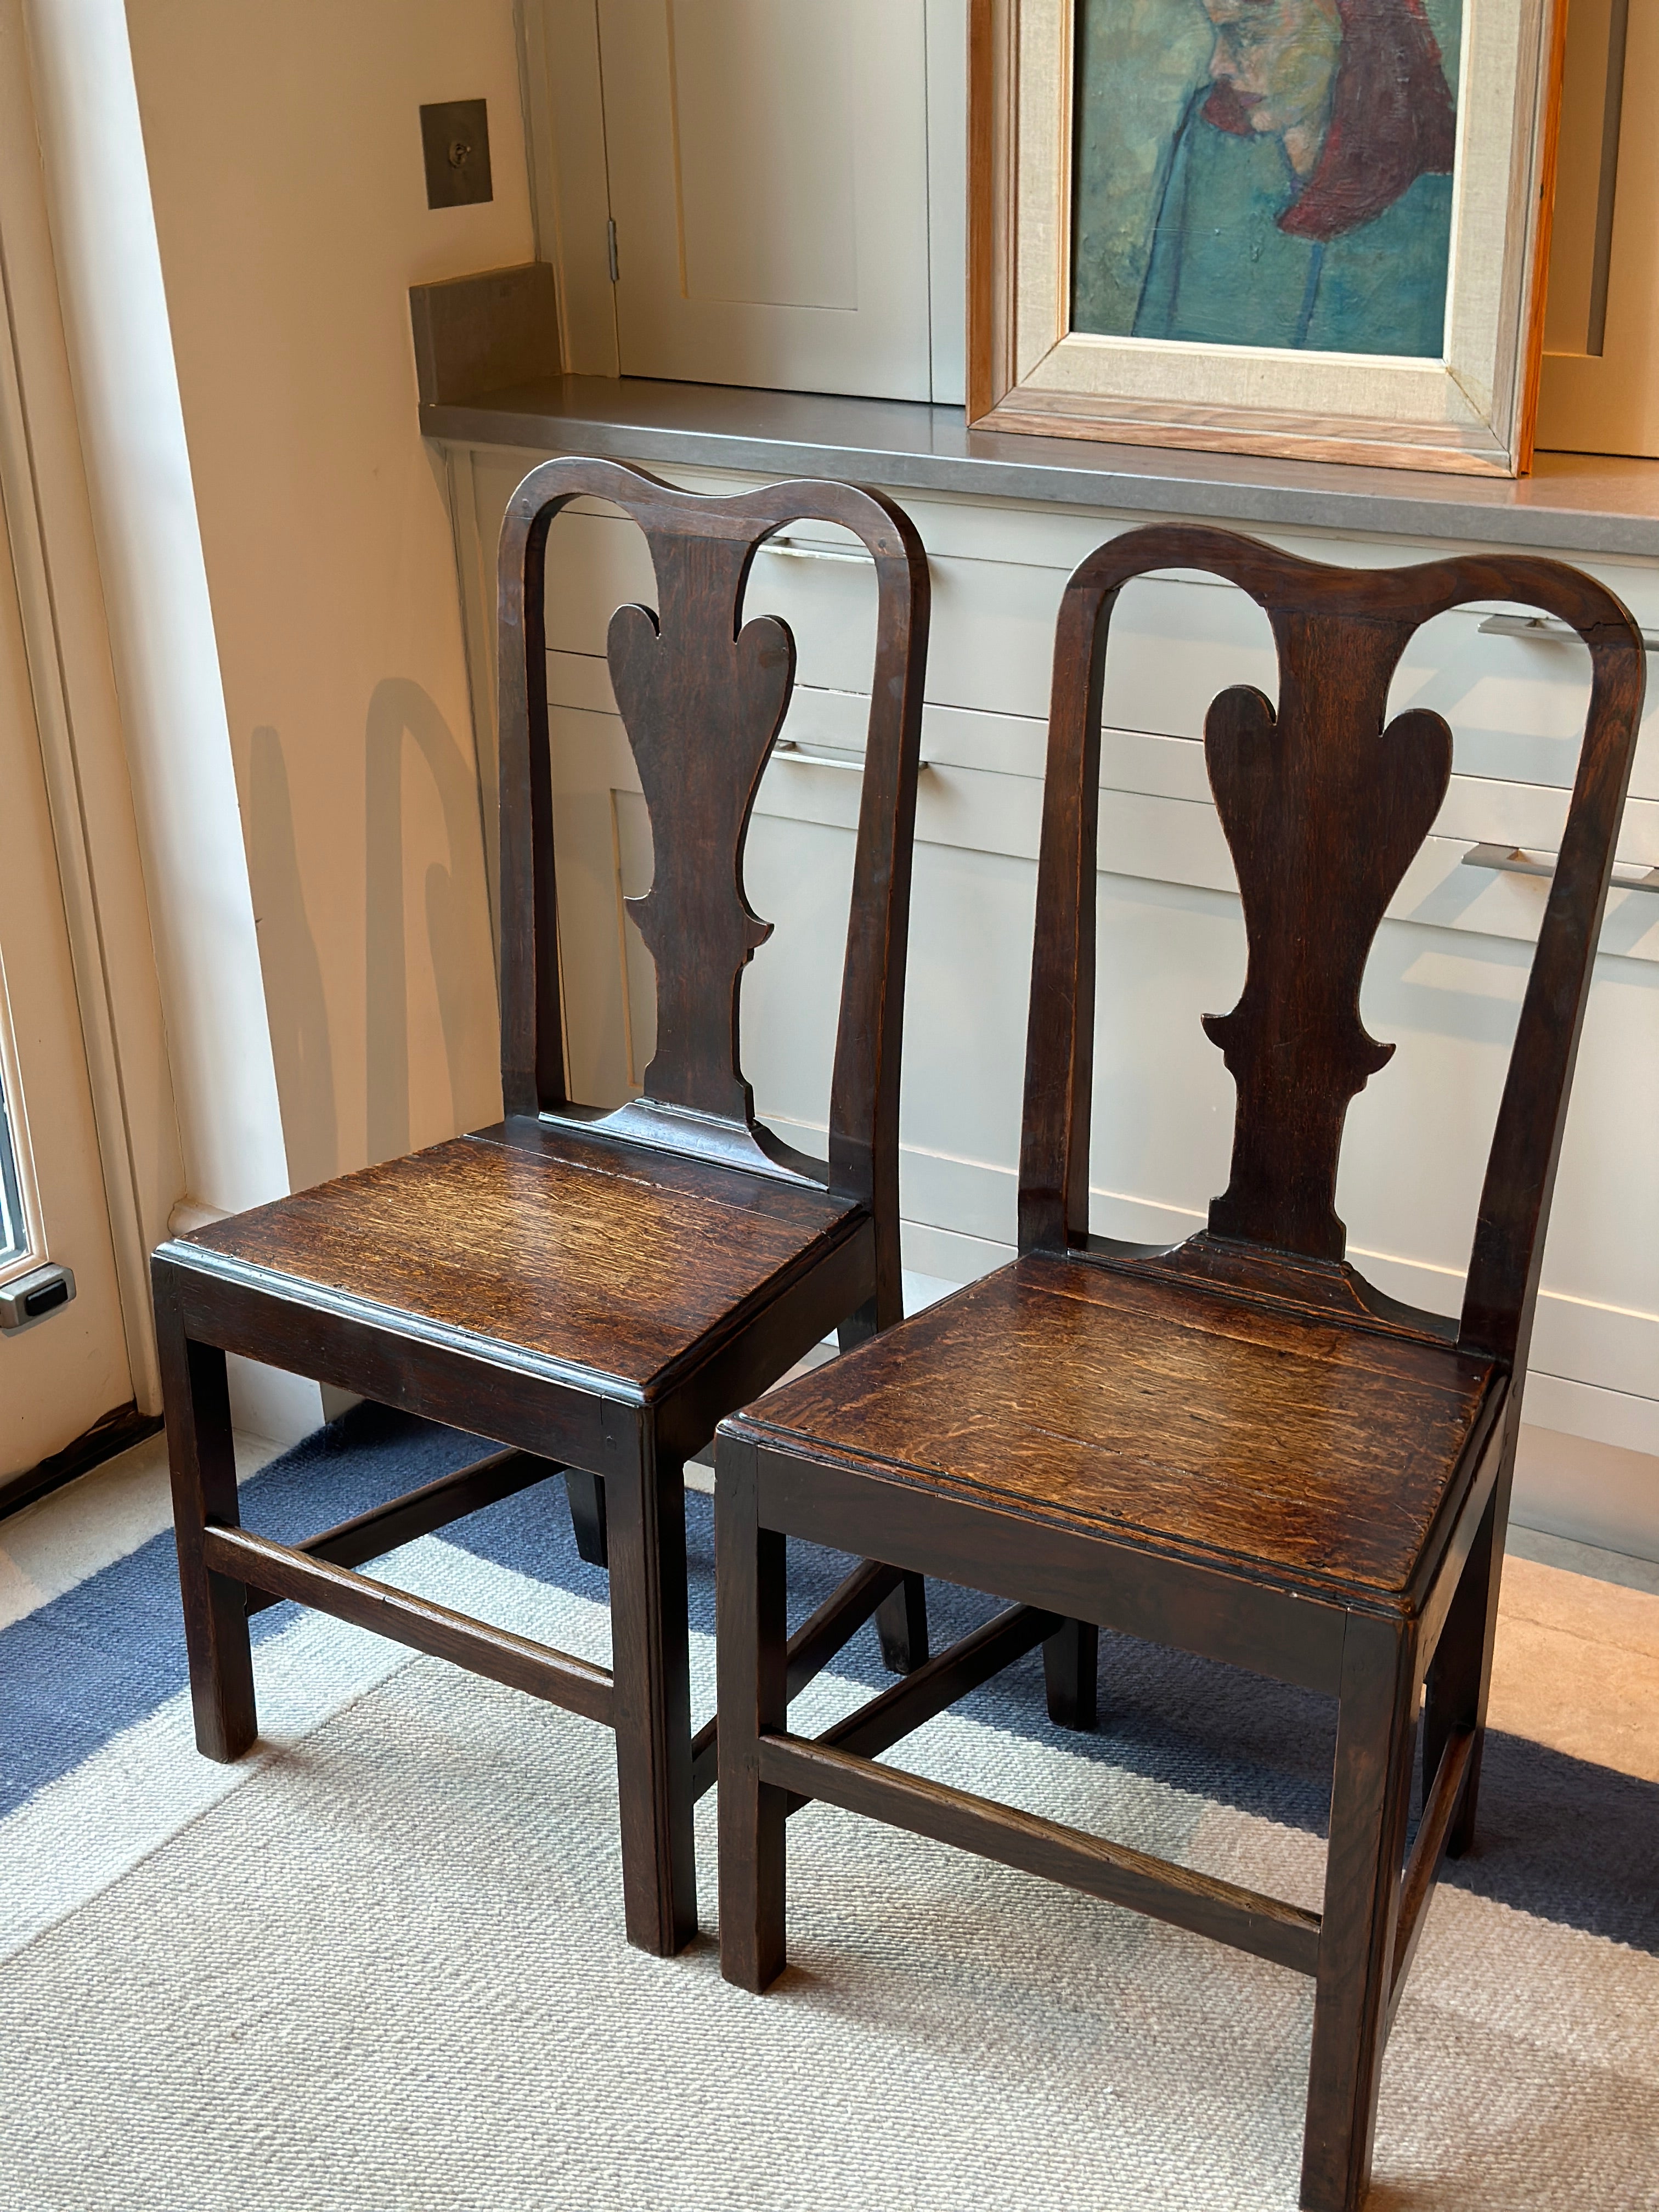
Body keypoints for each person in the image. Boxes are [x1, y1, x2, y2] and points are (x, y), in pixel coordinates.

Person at [1132, 0, 1457, 356]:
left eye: (1250, 34)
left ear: (1348, 24)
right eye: (1219, 32)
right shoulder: (1209, 132)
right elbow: (1154, 341)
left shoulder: (1439, 191)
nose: (1218, 66)